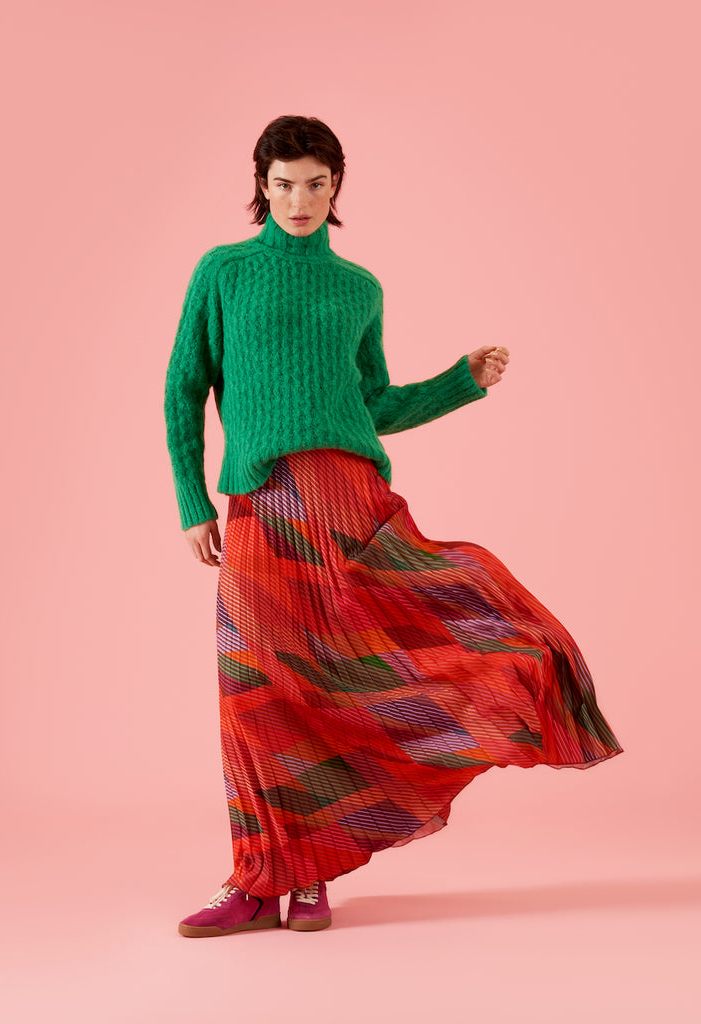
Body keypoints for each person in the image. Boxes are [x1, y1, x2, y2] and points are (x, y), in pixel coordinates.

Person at [163, 114, 624, 938]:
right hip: (263, 503)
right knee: (254, 689)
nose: (298, 200)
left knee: (341, 679)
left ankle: (313, 876)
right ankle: (257, 879)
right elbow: (183, 386)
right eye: (283, 184)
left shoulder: (357, 288)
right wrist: (192, 503)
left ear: (335, 185)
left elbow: (370, 403)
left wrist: (458, 381)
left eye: (314, 184)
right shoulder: (223, 271)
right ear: (261, 185)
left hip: (348, 503)